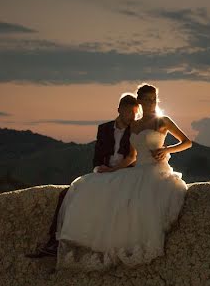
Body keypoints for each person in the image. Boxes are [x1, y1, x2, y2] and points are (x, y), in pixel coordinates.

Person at [55, 83, 192, 271]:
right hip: (137, 170)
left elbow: (187, 142)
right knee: (105, 193)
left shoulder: (163, 121)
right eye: (147, 100)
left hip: (156, 170)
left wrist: (167, 149)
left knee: (143, 205)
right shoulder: (134, 126)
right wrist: (112, 171)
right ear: (140, 101)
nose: (152, 103)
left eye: (154, 99)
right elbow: (131, 157)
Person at [24, 93, 139, 258]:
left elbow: (133, 158)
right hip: (104, 172)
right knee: (67, 194)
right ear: (119, 109)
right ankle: (53, 242)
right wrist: (100, 169)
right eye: (129, 112)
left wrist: (113, 171)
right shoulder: (104, 129)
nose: (133, 116)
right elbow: (97, 157)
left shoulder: (135, 129)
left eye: (135, 112)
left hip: (125, 173)